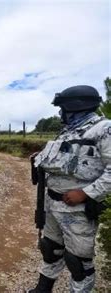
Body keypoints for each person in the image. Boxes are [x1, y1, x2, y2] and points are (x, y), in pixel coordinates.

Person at [29, 85, 110, 293]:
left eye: (62, 108)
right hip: (53, 204)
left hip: (78, 210)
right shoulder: (67, 132)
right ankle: (43, 288)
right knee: (50, 249)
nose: (60, 113)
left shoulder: (103, 129)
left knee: (78, 262)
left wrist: (85, 193)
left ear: (74, 106)